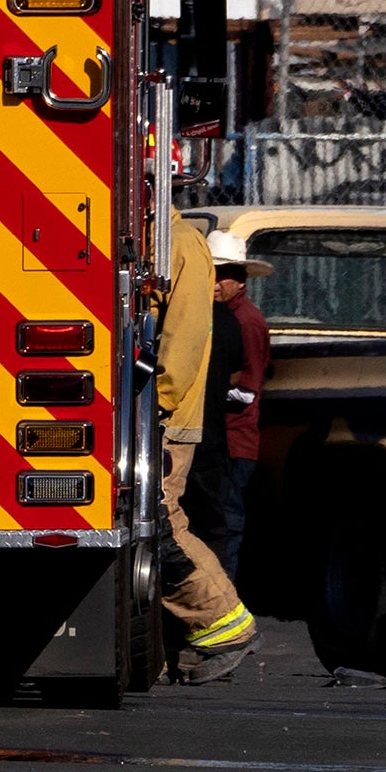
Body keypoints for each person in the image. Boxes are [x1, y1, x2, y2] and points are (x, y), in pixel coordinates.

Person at [145, 208, 262, 679]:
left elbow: (184, 336)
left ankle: (222, 625)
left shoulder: (179, 243)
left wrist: (158, 402)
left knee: (162, 523)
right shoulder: (150, 236)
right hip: (153, 414)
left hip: (167, 418)